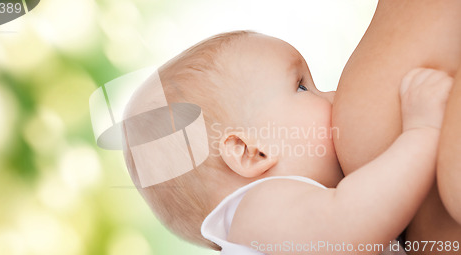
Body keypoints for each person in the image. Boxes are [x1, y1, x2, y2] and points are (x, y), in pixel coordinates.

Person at [122, 31, 453, 254]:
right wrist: (422, 133)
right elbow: (347, 223)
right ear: (250, 152)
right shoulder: (255, 211)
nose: (335, 95)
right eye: (302, 87)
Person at [332, 1, 461, 253]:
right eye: (301, 87)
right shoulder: (260, 206)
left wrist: (422, 132)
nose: (329, 94)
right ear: (247, 151)